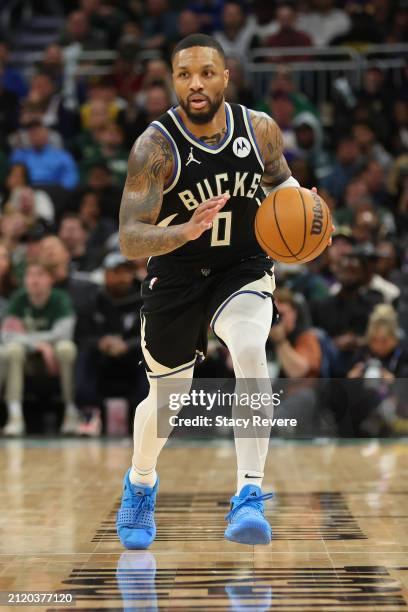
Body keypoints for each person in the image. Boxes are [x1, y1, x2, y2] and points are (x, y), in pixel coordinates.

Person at [116, 34, 331, 550]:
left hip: (242, 264)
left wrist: (306, 208)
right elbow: (129, 236)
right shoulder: (156, 147)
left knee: (252, 348)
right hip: (177, 271)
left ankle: (249, 494)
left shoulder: (259, 131)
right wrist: (181, 231)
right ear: (173, 79)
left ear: (225, 75)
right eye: (184, 73)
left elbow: (281, 188)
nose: (196, 83)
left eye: (206, 73)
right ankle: (141, 483)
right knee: (167, 401)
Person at [0, 261, 77, 435]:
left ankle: (71, 411)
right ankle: (15, 415)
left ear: (51, 279)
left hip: (54, 358)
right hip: (28, 358)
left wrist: (37, 342)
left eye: (40, 275)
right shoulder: (18, 299)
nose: (34, 280)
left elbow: (64, 333)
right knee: (12, 349)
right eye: (30, 275)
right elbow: (6, 335)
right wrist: (38, 345)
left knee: (66, 348)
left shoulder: (60, 299)